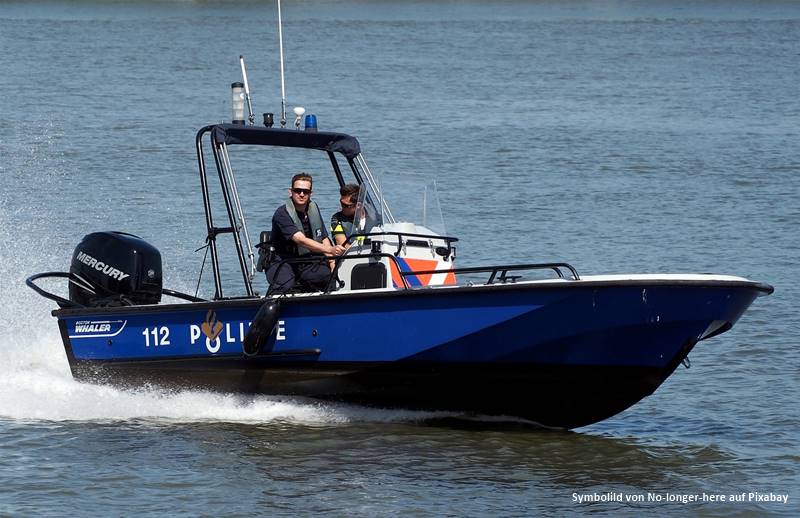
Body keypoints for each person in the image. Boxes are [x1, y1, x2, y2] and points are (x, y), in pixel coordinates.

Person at [266, 173, 345, 293]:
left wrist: (332, 260)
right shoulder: (282, 214)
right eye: (298, 190)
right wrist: (330, 250)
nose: (301, 194)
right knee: (285, 285)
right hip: (283, 259)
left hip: (306, 260)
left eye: (306, 191)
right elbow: (300, 240)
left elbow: (323, 237)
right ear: (290, 191)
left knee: (328, 277)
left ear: (311, 193)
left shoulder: (313, 209)